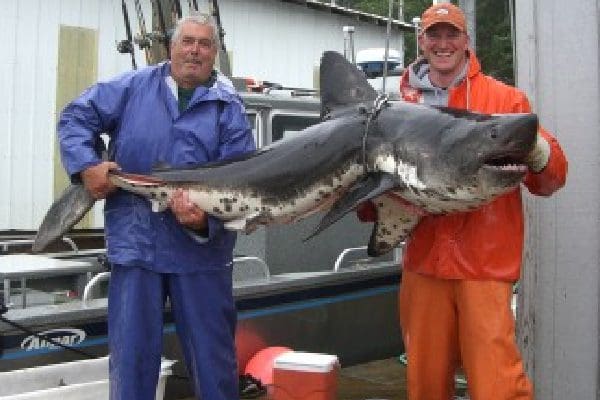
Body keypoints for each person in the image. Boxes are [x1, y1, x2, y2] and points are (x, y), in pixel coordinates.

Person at [357, 3, 567, 400]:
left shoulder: (506, 101)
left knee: (497, 386)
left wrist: (539, 152)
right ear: (421, 41)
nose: (442, 43)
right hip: (423, 265)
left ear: (466, 40)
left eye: (451, 33)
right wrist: (368, 203)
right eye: (434, 35)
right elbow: (369, 202)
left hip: (484, 265)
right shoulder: (393, 111)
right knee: (425, 384)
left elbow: (552, 179)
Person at [57, 13, 256, 400]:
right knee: (132, 364)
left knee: (214, 366)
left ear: (215, 53)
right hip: (137, 246)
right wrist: (85, 166)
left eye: (204, 44)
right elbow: (75, 117)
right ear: (171, 46)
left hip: (200, 256)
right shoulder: (131, 87)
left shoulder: (228, 108)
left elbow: (242, 182)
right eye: (187, 41)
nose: (194, 51)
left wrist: (204, 223)